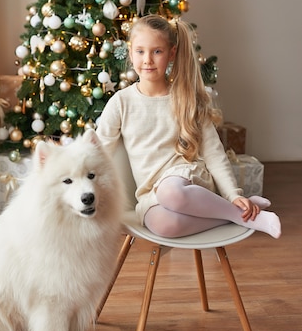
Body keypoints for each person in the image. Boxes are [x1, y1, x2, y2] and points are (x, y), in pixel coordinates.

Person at [96, 14, 281, 239]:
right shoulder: (121, 102)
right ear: (130, 52)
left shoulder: (185, 98)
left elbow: (214, 153)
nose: (147, 60)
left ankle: (246, 214)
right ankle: (236, 213)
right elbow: (99, 151)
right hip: (149, 194)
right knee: (165, 227)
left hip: (187, 180)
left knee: (170, 192)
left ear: (171, 53)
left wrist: (233, 194)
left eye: (157, 51)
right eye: (140, 51)